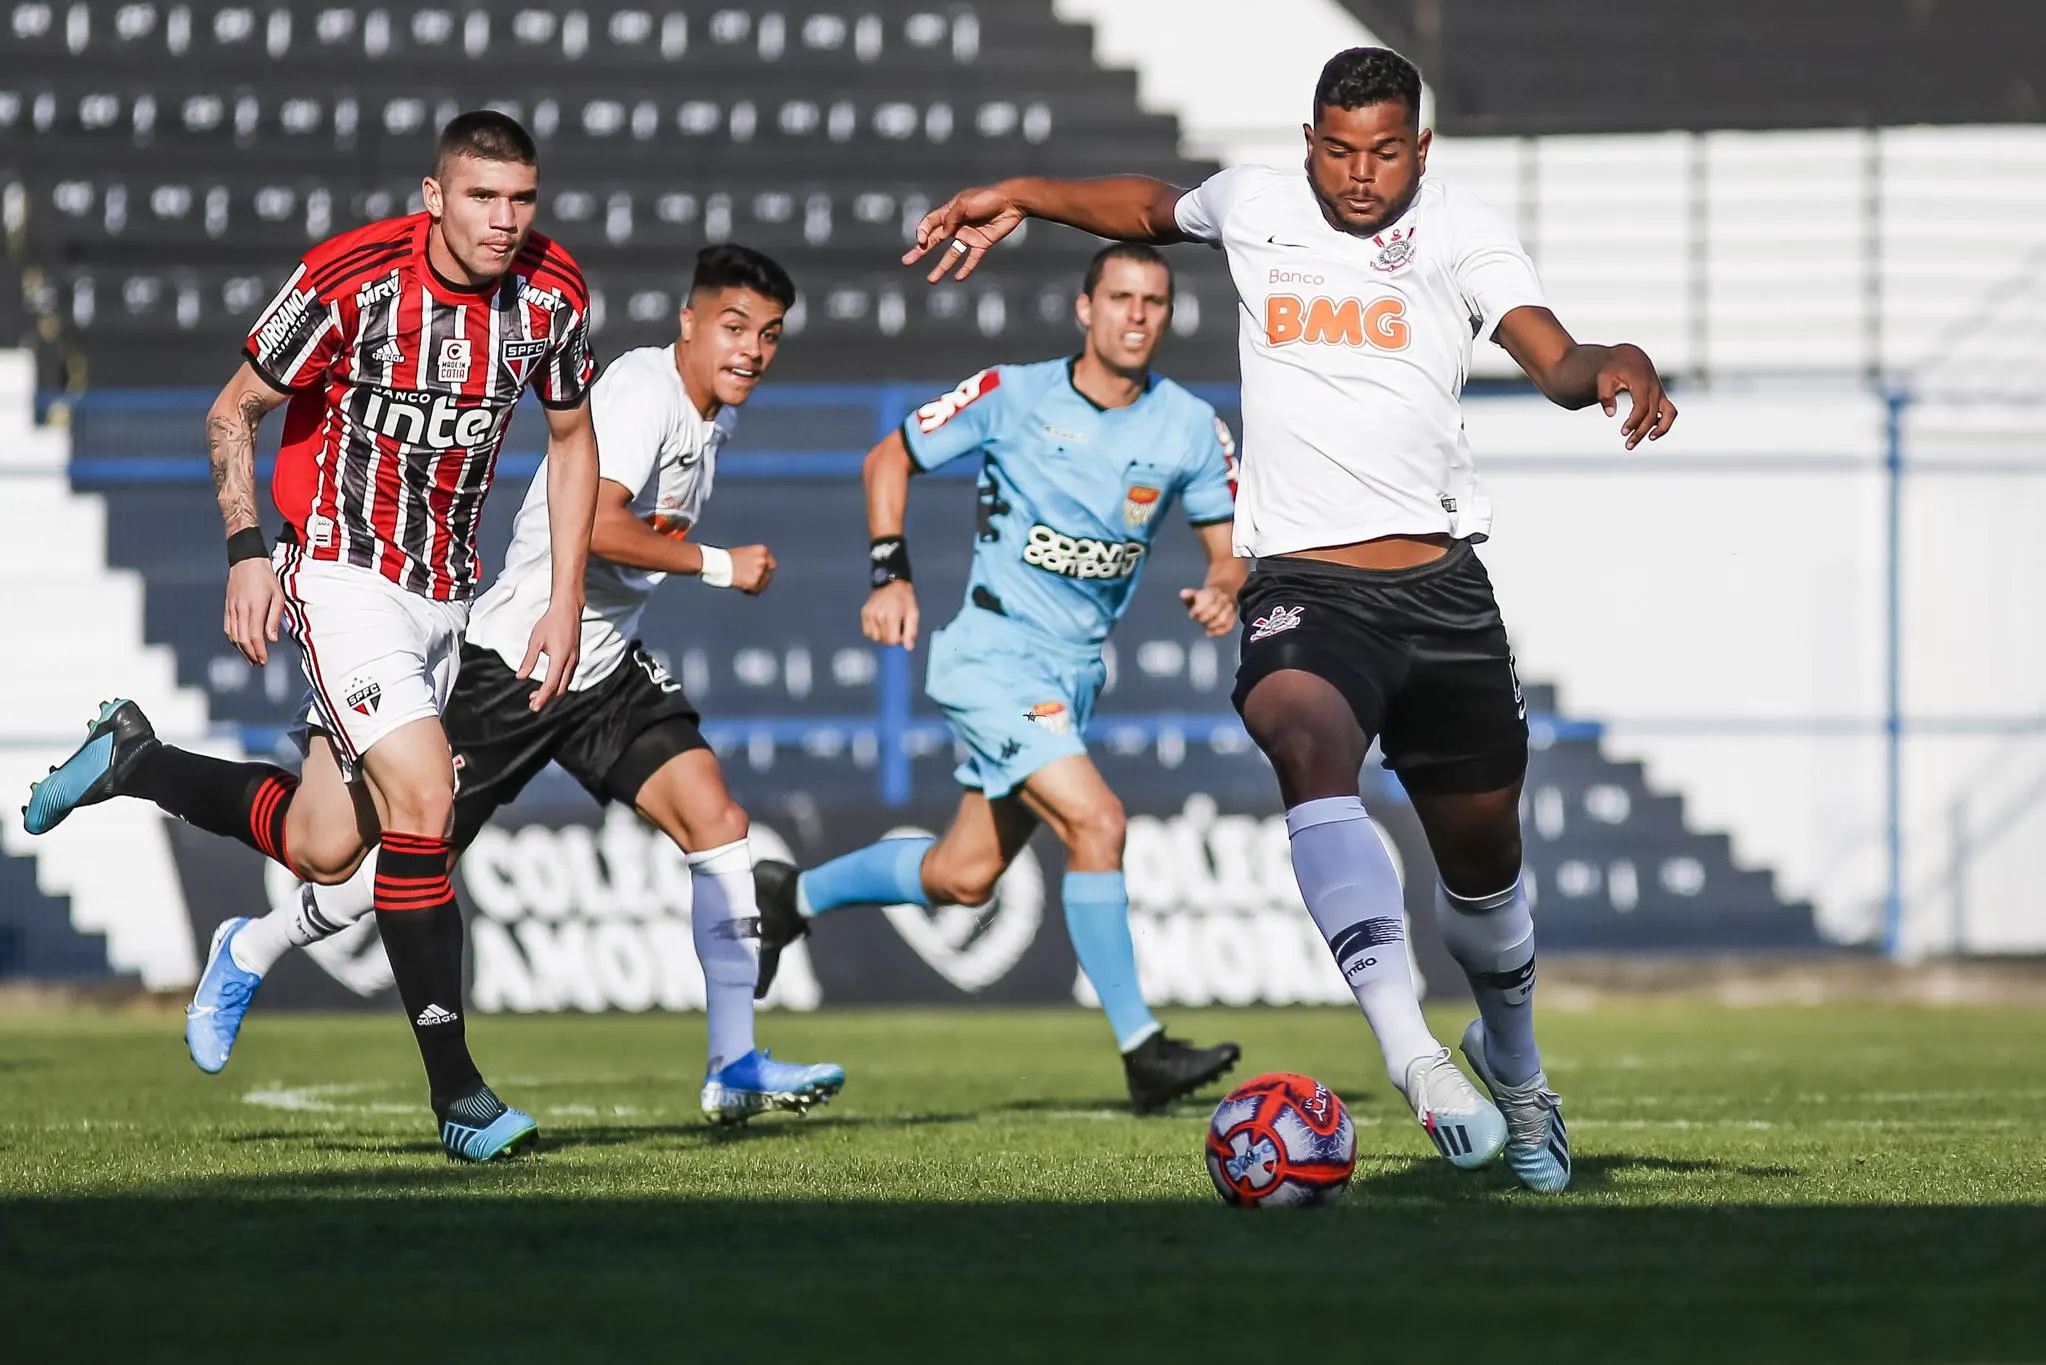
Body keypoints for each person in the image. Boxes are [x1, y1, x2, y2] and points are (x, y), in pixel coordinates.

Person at [898, 47, 1680, 1191]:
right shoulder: (1259, 204)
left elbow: (1556, 358)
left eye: (1386, 150)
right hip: (1305, 585)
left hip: (1443, 594)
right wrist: (1022, 193)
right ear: (1309, 139)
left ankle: (1512, 1060)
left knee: (1484, 870)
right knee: (1303, 738)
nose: (1360, 174)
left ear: (1422, 147)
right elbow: (1149, 210)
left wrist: (1625, 365)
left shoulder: (1463, 233)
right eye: (1338, 148)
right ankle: (1412, 1054)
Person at [25, 112, 601, 1162]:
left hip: (444, 595)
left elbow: (571, 439)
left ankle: (137, 762)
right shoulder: (352, 281)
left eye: (521, 198)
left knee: (324, 844)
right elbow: (231, 411)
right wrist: (249, 548)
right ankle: (460, 1098)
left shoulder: (553, 294)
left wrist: (564, 598)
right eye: (482, 196)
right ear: (434, 195)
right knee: (428, 797)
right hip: (338, 571)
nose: (503, 220)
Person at [175, 245, 847, 1125]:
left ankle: (734, 1062)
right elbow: (602, 523)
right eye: (733, 328)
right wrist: (719, 564)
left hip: (603, 667)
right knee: (378, 863)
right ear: (689, 322)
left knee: (717, 821)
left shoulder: (704, 414)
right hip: (516, 661)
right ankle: (254, 944)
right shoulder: (645, 394)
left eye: (768, 335)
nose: (751, 350)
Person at [750, 243, 1246, 1114]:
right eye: (1120, 297)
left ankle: (793, 894)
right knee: (1098, 821)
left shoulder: (1191, 429)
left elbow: (1227, 549)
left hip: (1071, 676)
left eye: (1155, 301)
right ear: (1084, 310)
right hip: (991, 655)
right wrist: (889, 572)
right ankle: (1142, 1049)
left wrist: (1222, 589)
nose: (1137, 314)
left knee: (964, 874)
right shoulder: (1011, 395)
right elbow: (887, 460)